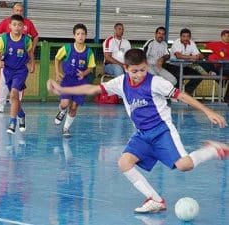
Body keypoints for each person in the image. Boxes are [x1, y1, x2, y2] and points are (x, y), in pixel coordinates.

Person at [47, 48, 229, 213]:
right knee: (124, 162)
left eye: (143, 70)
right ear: (126, 68)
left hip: (162, 131)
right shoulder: (120, 82)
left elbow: (181, 95)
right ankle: (156, 200)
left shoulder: (156, 82)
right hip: (142, 134)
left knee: (184, 166)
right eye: (135, 71)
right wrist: (63, 89)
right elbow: (92, 88)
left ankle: (213, 150)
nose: (139, 74)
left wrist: (208, 111)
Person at [0, 2, 39, 113]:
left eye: (20, 10)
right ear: (13, 11)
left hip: (22, 60)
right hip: (8, 59)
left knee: (20, 83)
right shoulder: (6, 22)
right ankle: (1, 103)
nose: (19, 12)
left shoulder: (28, 23)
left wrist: (32, 49)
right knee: (3, 82)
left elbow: (36, 36)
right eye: (16, 10)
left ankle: (17, 103)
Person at [0, 14, 35, 134]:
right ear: (10, 26)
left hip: (21, 71)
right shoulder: (4, 38)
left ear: (23, 27)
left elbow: (30, 52)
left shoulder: (26, 40)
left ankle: (12, 122)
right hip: (8, 71)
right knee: (14, 97)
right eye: (14, 25)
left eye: (20, 25)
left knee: (13, 94)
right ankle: (21, 114)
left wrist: (32, 65)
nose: (17, 27)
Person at [54, 23, 96, 137]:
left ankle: (66, 128)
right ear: (74, 36)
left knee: (73, 107)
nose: (80, 36)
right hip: (67, 80)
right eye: (78, 34)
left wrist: (84, 73)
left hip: (81, 82)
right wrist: (58, 73)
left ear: (86, 36)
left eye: (83, 34)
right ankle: (62, 111)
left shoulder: (89, 52)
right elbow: (57, 59)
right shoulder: (67, 48)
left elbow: (91, 67)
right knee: (64, 103)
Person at [168, 28, 211, 94]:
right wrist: (192, 57)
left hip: (184, 66)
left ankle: (186, 93)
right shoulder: (177, 42)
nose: (186, 38)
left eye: (188, 36)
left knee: (198, 76)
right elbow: (178, 56)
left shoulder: (192, 43)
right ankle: (175, 95)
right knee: (179, 76)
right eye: (184, 36)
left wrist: (198, 56)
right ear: (180, 37)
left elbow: (199, 55)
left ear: (190, 37)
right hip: (173, 66)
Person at [205, 29, 229, 103]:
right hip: (219, 66)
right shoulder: (215, 44)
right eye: (225, 36)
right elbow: (203, 47)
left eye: (228, 36)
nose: (227, 37)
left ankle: (227, 99)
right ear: (221, 37)